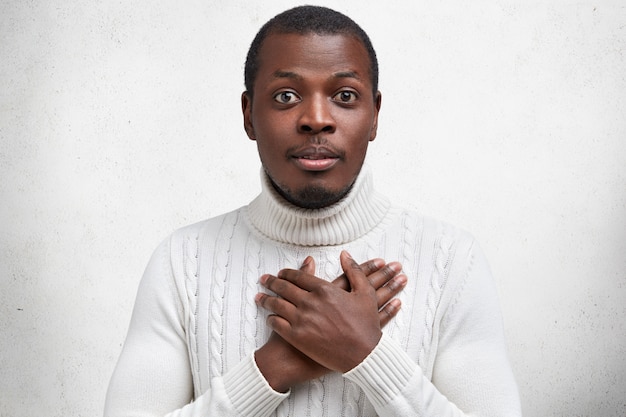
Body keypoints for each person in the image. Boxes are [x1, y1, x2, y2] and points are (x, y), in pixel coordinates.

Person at [104, 5, 522, 416]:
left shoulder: (451, 260)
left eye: (344, 95)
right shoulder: (183, 262)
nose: (317, 119)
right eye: (286, 96)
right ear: (249, 115)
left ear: (374, 115)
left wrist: (367, 355)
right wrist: (272, 368)